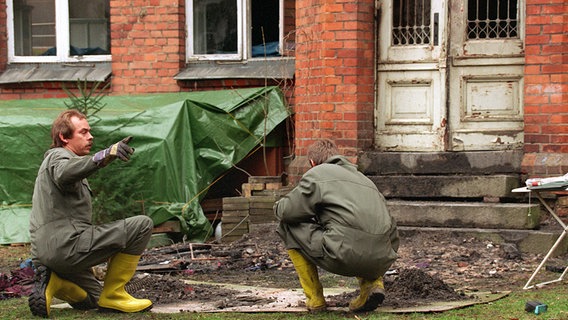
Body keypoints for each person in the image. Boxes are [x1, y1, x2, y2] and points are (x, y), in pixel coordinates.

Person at [28, 109, 154, 318]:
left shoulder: (58, 162)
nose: (90, 137)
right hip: (66, 246)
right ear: (64, 137)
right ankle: (115, 294)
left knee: (94, 299)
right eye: (83, 132)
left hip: (46, 255)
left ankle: (56, 284)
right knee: (141, 225)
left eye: (90, 132)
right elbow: (65, 173)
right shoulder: (59, 156)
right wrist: (104, 155)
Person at [274, 139, 399, 312]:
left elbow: (287, 211)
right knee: (362, 227)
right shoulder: (364, 179)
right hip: (382, 258)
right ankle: (371, 286)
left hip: (343, 254)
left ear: (312, 162)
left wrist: (278, 206)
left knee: (287, 225)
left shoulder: (318, 174)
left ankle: (315, 298)